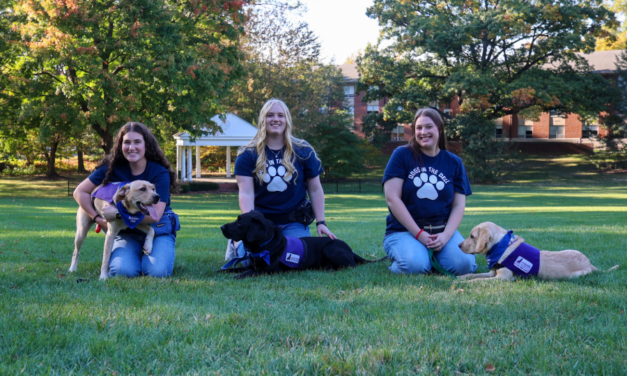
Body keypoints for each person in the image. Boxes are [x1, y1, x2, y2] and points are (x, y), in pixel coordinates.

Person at [227, 98, 336, 261]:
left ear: (287, 120)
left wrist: (321, 222)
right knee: (252, 261)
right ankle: (235, 245)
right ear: (263, 119)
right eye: (270, 115)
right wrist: (250, 226)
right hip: (262, 223)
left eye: (280, 115)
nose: (276, 119)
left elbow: (315, 189)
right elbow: (246, 193)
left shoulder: (303, 150)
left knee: (293, 259)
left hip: (294, 222)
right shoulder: (247, 154)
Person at [73, 122, 180, 278]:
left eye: (137, 142)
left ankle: (153, 255)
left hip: (156, 227)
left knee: (157, 272)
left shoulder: (159, 172)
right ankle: (133, 256)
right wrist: (97, 218)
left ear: (146, 144)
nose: (132, 147)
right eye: (127, 142)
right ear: (120, 145)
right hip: (127, 231)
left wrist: (116, 214)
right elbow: (80, 192)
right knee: (122, 271)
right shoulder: (111, 168)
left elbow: (155, 215)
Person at [382, 108, 477, 275]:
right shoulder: (402, 155)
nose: (423, 132)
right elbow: (392, 199)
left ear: (439, 129)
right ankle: (415, 256)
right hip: (404, 230)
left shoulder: (454, 162)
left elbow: (458, 205)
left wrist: (446, 235)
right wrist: (419, 234)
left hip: (442, 230)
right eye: (418, 128)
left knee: (464, 266)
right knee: (414, 266)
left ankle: (429, 256)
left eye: (428, 127)